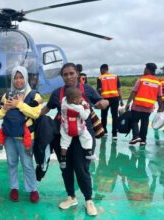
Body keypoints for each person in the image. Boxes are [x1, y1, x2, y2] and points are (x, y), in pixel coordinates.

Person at [41, 63, 109, 216]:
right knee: (65, 168)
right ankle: (71, 197)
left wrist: (104, 103)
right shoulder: (57, 93)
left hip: (83, 135)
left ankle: (88, 200)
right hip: (63, 135)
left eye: (71, 73)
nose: (68, 77)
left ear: (77, 74)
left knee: (81, 168)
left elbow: (103, 101)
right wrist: (33, 116)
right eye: (65, 74)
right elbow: (47, 108)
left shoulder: (87, 90)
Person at [0, 66, 42, 203]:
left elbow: (36, 113)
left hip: (26, 137)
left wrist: (18, 104)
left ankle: (33, 189)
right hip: (9, 136)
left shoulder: (34, 95)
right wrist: (5, 108)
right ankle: (14, 187)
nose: (18, 80)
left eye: (21, 77)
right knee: (11, 163)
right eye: (16, 77)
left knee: (27, 164)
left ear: (26, 78)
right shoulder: (6, 95)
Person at [125, 63, 163, 145]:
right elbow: (159, 96)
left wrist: (128, 103)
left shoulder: (141, 79)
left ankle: (136, 136)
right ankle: (143, 140)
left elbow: (134, 92)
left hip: (137, 106)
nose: (144, 70)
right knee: (144, 123)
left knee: (134, 121)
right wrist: (160, 107)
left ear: (148, 69)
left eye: (145, 68)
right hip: (149, 107)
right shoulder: (158, 82)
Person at [60, 87, 94, 170]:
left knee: (64, 144)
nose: (82, 99)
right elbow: (85, 116)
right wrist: (87, 109)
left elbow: (68, 98)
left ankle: (63, 159)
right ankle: (88, 153)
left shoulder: (64, 102)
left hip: (66, 128)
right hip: (79, 129)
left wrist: (80, 101)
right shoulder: (79, 108)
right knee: (87, 138)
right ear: (75, 100)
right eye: (80, 98)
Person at [97, 64, 123, 140]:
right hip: (115, 98)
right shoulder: (115, 76)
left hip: (104, 99)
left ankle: (104, 131)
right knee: (115, 116)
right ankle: (114, 134)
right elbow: (119, 89)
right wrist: (121, 99)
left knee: (104, 116)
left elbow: (99, 90)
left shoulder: (100, 77)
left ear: (102, 69)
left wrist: (98, 99)